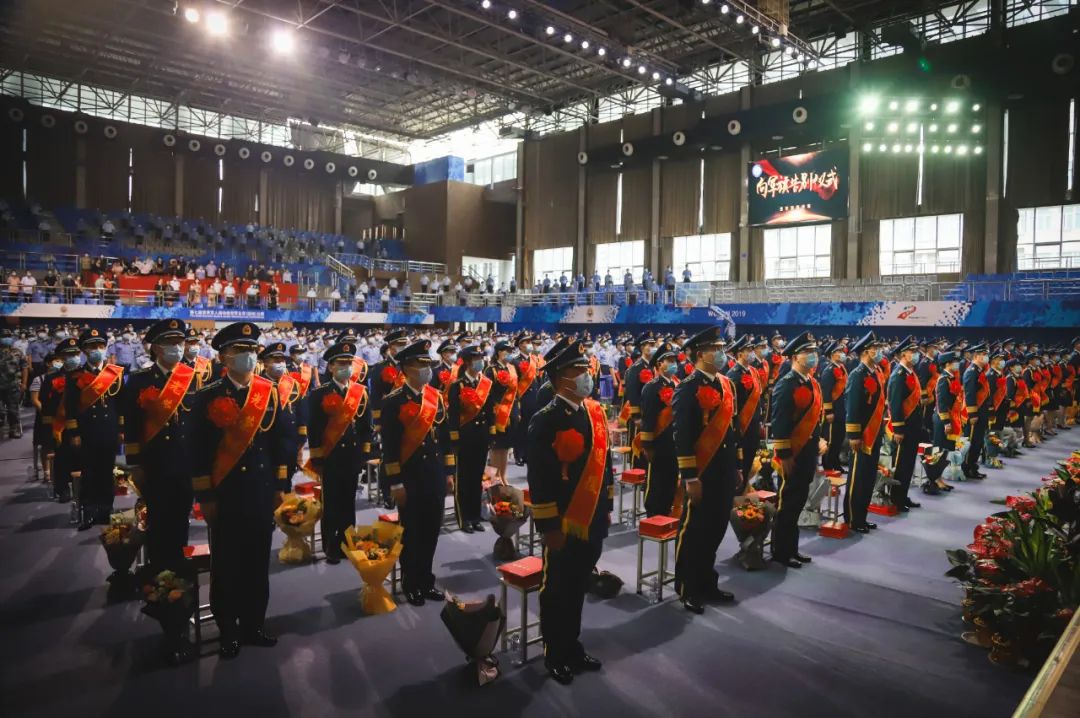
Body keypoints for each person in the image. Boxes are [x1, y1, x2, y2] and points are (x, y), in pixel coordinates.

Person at [190, 322, 291, 660]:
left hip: (261, 492)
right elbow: (198, 450)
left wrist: (280, 484)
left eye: (251, 350)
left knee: (257, 562)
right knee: (227, 565)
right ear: (224, 356)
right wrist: (205, 495)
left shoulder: (270, 392)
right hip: (226, 494)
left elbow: (281, 442)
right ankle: (228, 630)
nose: (249, 356)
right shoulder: (207, 396)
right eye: (241, 351)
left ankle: (254, 624)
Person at [526, 339, 612, 685]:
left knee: (578, 584)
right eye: (579, 370)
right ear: (562, 377)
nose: (586, 375)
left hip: (590, 518)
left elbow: (604, 468)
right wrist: (548, 526)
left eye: (585, 369)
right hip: (562, 520)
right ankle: (555, 651)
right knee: (558, 587)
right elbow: (540, 480)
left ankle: (572, 643)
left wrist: (604, 507)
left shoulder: (593, 413)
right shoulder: (544, 421)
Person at [119, 320, 198, 663]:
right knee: (159, 535)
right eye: (169, 342)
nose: (177, 347)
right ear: (154, 347)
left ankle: (179, 589)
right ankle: (162, 595)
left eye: (180, 341)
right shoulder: (139, 381)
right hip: (156, 470)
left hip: (186, 470)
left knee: (180, 532)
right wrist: (135, 465)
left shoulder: (194, 378)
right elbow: (132, 429)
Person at [381, 338, 455, 606]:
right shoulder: (393, 401)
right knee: (411, 532)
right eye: (421, 364)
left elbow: (444, 438)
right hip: (409, 477)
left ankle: (426, 580)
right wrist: (395, 482)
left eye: (428, 364)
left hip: (433, 475)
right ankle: (411, 583)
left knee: (432, 530)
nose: (427, 370)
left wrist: (449, 471)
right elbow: (389, 447)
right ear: (406, 368)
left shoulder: (435, 397)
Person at [672, 327, 739, 614]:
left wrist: (736, 466)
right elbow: (682, 435)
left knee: (715, 529)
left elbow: (731, 431)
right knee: (694, 531)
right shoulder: (687, 387)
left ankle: (707, 582)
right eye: (717, 348)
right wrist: (690, 476)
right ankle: (688, 587)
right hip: (701, 472)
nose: (723, 353)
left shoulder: (726, 384)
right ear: (701, 353)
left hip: (723, 471)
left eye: (723, 347)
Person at [307, 340, 371, 564]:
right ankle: (331, 546)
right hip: (331, 456)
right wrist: (317, 458)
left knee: (348, 501)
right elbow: (314, 429)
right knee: (332, 503)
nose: (346, 367)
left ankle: (348, 541)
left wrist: (364, 455)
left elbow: (365, 428)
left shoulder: (360, 392)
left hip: (352, 456)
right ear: (331, 367)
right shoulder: (319, 394)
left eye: (349, 363)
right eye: (341, 363)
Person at [768, 331, 824, 568]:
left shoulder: (811, 381)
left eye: (814, 352)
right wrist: (784, 455)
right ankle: (781, 550)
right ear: (794, 357)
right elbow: (779, 423)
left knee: (799, 499)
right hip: (793, 452)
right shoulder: (786, 384)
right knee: (788, 501)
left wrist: (819, 440)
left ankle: (792, 547)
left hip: (808, 450)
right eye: (807, 353)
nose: (813, 356)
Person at [65, 328, 124, 530]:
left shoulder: (114, 373)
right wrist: (74, 432)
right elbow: (70, 407)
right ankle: (88, 513)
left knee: (107, 473)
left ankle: (106, 511)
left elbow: (120, 404)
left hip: (108, 430)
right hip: (87, 431)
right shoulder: (75, 377)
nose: (97, 350)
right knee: (89, 474)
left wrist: (121, 429)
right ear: (84, 350)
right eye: (92, 347)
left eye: (100, 346)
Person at [446, 345, 494, 533]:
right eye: (476, 358)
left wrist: (491, 433)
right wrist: (455, 439)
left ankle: (475, 516)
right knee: (463, 479)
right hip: (464, 437)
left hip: (481, 436)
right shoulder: (457, 385)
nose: (480, 361)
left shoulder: (485, 383)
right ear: (467, 362)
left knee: (476, 478)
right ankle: (463, 517)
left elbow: (490, 410)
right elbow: (454, 415)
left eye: (481, 357)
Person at [842, 332, 887, 534]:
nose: (879, 352)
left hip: (874, 432)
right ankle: (852, 517)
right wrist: (853, 435)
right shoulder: (858, 374)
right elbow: (852, 406)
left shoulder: (875, 372)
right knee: (858, 476)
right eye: (876, 349)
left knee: (869, 476)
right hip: (862, 434)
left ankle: (862, 515)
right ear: (867, 351)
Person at [639, 341, 681, 517]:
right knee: (657, 480)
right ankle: (653, 512)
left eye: (674, 360)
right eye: (668, 360)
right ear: (659, 364)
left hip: (672, 443)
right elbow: (647, 418)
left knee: (671, 479)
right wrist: (647, 445)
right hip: (658, 442)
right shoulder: (651, 387)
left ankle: (666, 509)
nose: (673, 364)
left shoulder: (676, 385)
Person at [886, 336, 923, 512]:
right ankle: (896, 498)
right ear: (903, 354)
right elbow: (895, 404)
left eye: (916, 351)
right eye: (912, 352)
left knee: (908, 464)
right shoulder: (898, 375)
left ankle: (903, 494)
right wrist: (898, 428)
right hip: (904, 428)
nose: (916, 355)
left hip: (913, 426)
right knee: (900, 464)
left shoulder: (910, 373)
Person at [726, 334, 764, 481]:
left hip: (753, 423)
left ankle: (744, 489)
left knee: (750, 460)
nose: (751, 353)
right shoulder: (733, 375)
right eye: (748, 350)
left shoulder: (752, 371)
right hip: (742, 426)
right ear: (740, 354)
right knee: (741, 463)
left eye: (751, 349)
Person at [484, 339, 519, 482]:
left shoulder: (511, 368)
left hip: (510, 412)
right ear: (499, 352)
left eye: (511, 351)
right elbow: (487, 393)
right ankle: (494, 479)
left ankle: (503, 476)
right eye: (506, 351)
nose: (509, 353)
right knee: (495, 448)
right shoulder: (491, 369)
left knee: (505, 447)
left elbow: (515, 392)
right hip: (497, 413)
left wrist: (517, 411)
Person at [510, 332, 542, 466]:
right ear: (520, 345)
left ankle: (530, 453)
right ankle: (519, 454)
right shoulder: (515, 361)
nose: (530, 344)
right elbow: (514, 383)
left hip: (534, 397)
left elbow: (539, 379)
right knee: (521, 427)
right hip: (522, 398)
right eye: (527, 342)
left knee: (532, 427)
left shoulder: (535, 360)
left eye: (530, 341)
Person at [961, 344, 991, 480]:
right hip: (974, 413)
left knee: (977, 441)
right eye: (983, 354)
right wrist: (972, 414)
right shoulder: (972, 372)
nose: (986, 357)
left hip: (981, 412)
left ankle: (973, 466)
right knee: (971, 442)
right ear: (976, 356)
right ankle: (967, 468)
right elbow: (969, 394)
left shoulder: (979, 371)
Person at [0, 329, 29, 439]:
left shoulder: (17, 352)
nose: (6, 338)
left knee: (13, 410)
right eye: (4, 336)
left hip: (13, 386)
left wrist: (24, 384)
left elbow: (25, 368)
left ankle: (14, 429)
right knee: (1, 411)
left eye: (8, 336)